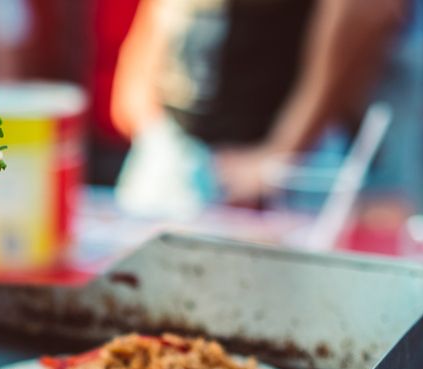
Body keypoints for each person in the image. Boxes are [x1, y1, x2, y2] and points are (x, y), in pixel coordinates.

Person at [110, 0, 406, 216]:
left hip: (282, 171)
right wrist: (144, 111)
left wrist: (280, 153)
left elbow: (369, 10)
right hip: (173, 152)